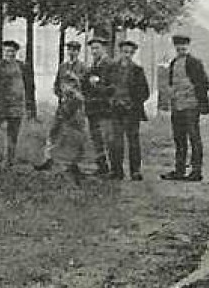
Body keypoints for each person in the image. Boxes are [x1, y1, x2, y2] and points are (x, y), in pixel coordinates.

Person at [160, 33, 209, 182]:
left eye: (183, 46)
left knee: (194, 137)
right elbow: (170, 84)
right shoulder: (174, 62)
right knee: (179, 138)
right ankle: (179, 170)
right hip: (177, 106)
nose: (181, 49)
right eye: (178, 46)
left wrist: (194, 95)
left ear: (188, 47)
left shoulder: (195, 63)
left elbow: (204, 83)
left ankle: (196, 171)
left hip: (191, 105)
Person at [35, 40, 85, 171]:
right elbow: (57, 84)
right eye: (69, 49)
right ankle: (49, 159)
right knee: (54, 131)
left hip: (77, 106)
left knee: (75, 134)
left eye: (74, 50)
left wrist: (76, 83)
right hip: (63, 104)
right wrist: (60, 95)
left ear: (78, 52)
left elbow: (85, 87)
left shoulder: (83, 67)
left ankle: (73, 163)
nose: (71, 52)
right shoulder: (63, 67)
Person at [105, 38, 150, 181]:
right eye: (125, 52)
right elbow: (105, 87)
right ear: (120, 52)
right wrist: (111, 99)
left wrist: (133, 102)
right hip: (115, 109)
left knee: (133, 141)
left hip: (131, 111)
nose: (127, 55)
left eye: (130, 53)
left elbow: (145, 92)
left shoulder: (138, 70)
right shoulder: (112, 69)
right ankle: (116, 170)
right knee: (115, 141)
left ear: (133, 54)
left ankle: (135, 171)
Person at [44, 71, 91, 185]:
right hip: (74, 127)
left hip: (72, 128)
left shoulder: (73, 98)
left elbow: (66, 114)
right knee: (68, 151)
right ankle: (70, 173)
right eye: (63, 85)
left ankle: (69, 178)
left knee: (66, 151)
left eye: (67, 85)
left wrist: (59, 121)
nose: (64, 87)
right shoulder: (71, 97)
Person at [81, 37, 115, 176]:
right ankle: (102, 166)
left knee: (108, 137)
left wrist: (99, 84)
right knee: (96, 138)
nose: (94, 51)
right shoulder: (91, 66)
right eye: (92, 49)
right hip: (92, 107)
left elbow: (113, 87)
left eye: (97, 48)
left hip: (105, 107)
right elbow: (85, 85)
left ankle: (114, 168)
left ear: (104, 49)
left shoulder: (110, 65)